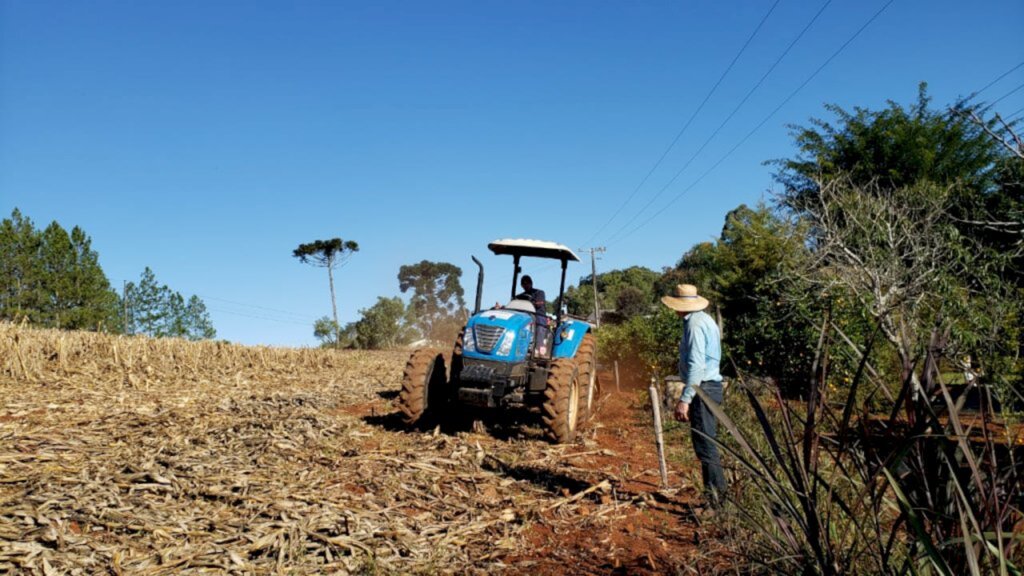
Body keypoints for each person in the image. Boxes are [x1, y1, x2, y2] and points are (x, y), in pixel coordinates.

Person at [662, 283, 727, 509]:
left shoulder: (695, 325)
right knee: (707, 446)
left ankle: (716, 504)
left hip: (704, 390)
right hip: (710, 389)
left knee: (706, 448)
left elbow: (697, 366)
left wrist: (685, 399)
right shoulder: (705, 320)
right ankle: (715, 500)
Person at [516, 275, 550, 355]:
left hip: (538, 316)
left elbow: (539, 304)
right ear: (521, 285)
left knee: (539, 321)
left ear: (531, 283)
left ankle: (539, 348)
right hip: (525, 317)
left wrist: (531, 303)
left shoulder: (539, 293)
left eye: (527, 283)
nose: (526, 285)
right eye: (523, 284)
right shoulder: (520, 296)